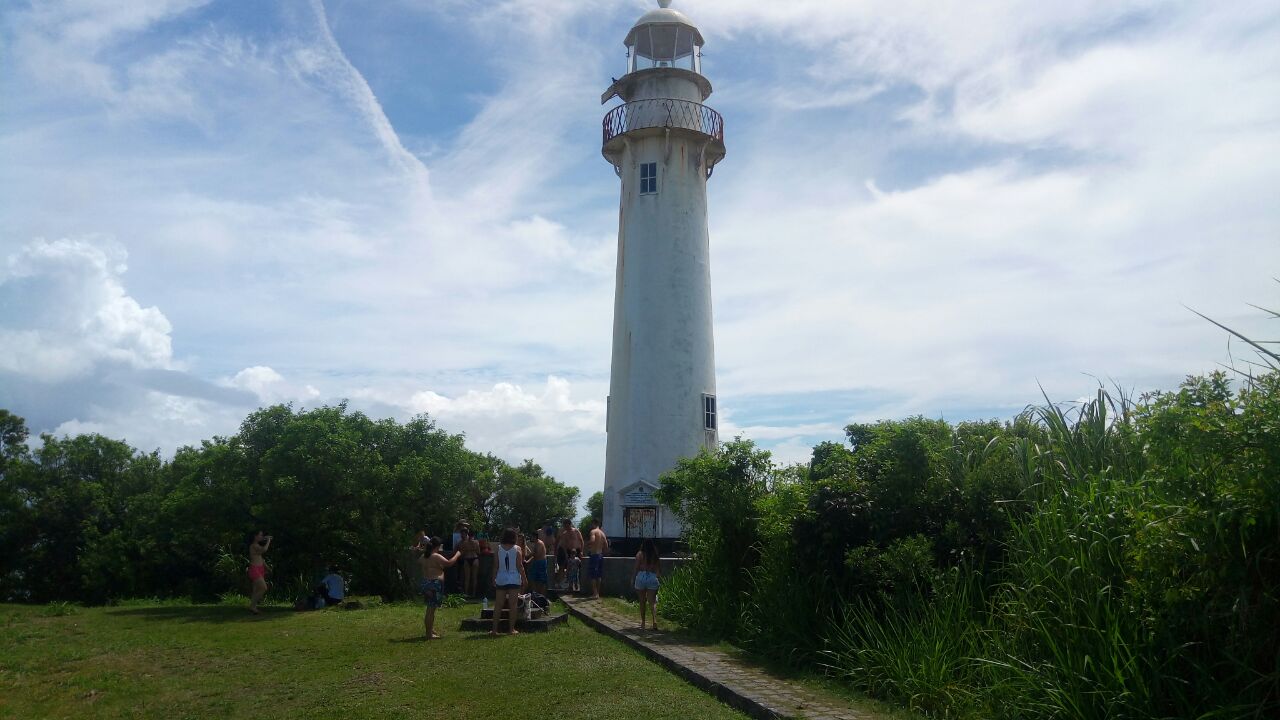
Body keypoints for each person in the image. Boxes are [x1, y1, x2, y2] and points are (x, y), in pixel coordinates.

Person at [419, 536, 461, 640]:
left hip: (426, 582)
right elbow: (449, 563)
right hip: (434, 584)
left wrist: (436, 567)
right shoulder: (436, 556)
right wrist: (457, 554)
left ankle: (429, 629)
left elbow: (422, 563)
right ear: (437, 546)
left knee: (429, 609)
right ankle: (429, 634)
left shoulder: (423, 556)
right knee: (431, 610)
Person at [490, 527, 527, 636]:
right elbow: (520, 566)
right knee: (513, 605)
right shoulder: (517, 549)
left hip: (501, 578)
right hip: (513, 578)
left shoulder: (498, 548)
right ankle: (511, 629)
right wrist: (525, 579)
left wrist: (493, 578)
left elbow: (495, 566)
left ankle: (494, 630)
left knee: (498, 605)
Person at [632, 539, 661, 630]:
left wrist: (633, 578)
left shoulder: (640, 554)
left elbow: (636, 568)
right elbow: (657, 569)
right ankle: (654, 621)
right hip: (652, 576)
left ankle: (643, 623)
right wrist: (657, 577)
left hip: (641, 576)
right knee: (652, 601)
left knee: (642, 601)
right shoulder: (655, 555)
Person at [247, 530, 272, 615]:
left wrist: (267, 567)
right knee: (264, 588)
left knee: (256, 590)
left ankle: (253, 607)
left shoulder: (257, 545)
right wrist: (268, 540)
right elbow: (264, 550)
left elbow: (261, 558)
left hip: (260, 569)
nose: (261, 537)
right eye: (260, 535)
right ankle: (252, 606)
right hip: (254, 569)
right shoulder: (253, 546)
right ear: (255, 536)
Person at [586, 519, 610, 599]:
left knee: (593, 575)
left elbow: (592, 540)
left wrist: (587, 544)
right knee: (599, 575)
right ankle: (598, 593)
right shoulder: (603, 533)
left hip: (594, 555)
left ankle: (595, 593)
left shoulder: (593, 531)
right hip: (600, 555)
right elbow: (606, 546)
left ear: (593, 523)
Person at [556, 519, 583, 588]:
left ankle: (578, 584)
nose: (565, 527)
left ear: (569, 524)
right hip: (569, 551)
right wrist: (566, 553)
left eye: (566, 525)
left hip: (577, 550)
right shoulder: (564, 533)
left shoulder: (576, 531)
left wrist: (581, 551)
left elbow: (581, 541)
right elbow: (564, 545)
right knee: (568, 568)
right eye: (564, 526)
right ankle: (568, 584)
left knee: (578, 567)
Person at [524, 529, 549, 597]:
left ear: (534, 537)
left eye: (531, 537)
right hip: (536, 562)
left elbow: (536, 554)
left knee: (541, 581)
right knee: (533, 579)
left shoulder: (539, 543)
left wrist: (528, 556)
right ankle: (536, 595)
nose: (530, 538)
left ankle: (542, 596)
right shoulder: (536, 544)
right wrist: (528, 560)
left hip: (541, 563)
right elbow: (534, 555)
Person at [457, 528, 481, 597]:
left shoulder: (464, 543)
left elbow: (462, 552)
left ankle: (466, 593)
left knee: (467, 578)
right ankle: (474, 593)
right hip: (475, 558)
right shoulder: (476, 542)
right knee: (474, 577)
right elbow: (478, 552)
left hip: (467, 559)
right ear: (473, 535)